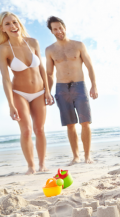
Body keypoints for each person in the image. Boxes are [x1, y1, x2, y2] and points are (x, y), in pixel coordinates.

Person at [0, 11, 53, 175]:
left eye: (14, 22)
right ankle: (31, 166)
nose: (12, 26)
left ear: (19, 24)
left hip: (39, 92)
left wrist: (47, 91)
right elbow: (6, 79)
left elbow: (42, 69)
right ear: (2, 29)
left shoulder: (33, 42)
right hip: (19, 93)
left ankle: (42, 164)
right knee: (26, 131)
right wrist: (10, 104)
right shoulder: (3, 49)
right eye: (7, 24)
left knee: (40, 130)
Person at [45, 16, 98, 165]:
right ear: (52, 31)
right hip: (61, 88)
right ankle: (76, 157)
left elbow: (89, 66)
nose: (59, 31)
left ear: (65, 27)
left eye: (60, 27)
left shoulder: (78, 45)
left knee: (86, 122)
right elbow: (49, 73)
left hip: (79, 86)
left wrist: (94, 85)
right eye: (55, 29)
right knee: (70, 124)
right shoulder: (50, 50)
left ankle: (87, 156)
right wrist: (47, 92)